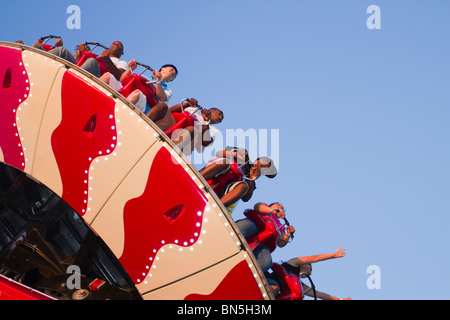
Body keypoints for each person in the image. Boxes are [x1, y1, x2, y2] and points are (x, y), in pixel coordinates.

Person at [200, 147, 277, 212]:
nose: (267, 163)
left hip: (222, 191)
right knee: (225, 162)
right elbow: (219, 153)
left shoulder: (251, 181)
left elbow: (246, 198)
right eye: (267, 160)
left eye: (268, 166)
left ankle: (217, 207)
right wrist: (235, 154)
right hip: (214, 174)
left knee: (243, 186)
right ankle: (198, 178)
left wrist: (251, 179)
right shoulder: (244, 155)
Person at [267, 247, 352, 300]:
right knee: (274, 288)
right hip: (268, 281)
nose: (310, 273)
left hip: (276, 296)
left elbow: (318, 294)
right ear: (305, 264)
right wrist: (333, 255)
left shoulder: (298, 284)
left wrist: (340, 299)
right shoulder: (293, 263)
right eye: (310, 269)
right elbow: (315, 258)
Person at [236, 202, 295, 273]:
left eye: (282, 208)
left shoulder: (280, 226)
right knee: (244, 226)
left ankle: (246, 273)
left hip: (264, 242)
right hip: (255, 226)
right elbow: (257, 206)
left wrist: (288, 234)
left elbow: (280, 243)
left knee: (267, 262)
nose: (280, 207)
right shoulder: (265, 208)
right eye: (278, 205)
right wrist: (273, 211)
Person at [31, 37, 101, 77]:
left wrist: (83, 53)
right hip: (64, 67)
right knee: (36, 45)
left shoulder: (87, 61)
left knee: (62, 50)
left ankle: (74, 77)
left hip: (75, 71)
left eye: (86, 50)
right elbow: (61, 59)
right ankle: (31, 61)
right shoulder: (72, 57)